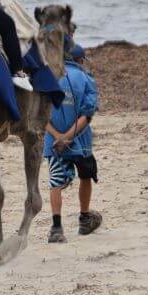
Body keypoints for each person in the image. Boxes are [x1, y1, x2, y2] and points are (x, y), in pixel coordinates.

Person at [44, 44, 100, 243]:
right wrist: (68, 136)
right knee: (86, 177)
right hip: (80, 142)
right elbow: (88, 113)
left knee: (55, 183)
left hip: (53, 143)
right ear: (81, 61)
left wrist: (57, 136)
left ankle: (57, 228)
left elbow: (39, 114)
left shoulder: (48, 77)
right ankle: (84, 218)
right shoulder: (86, 78)